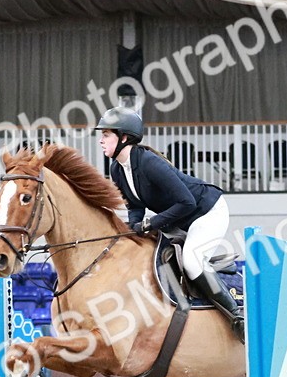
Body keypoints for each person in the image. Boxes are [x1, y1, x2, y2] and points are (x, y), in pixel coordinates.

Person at [93, 106, 244, 342]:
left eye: (106, 135)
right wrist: (134, 225)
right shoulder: (117, 169)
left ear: (124, 137)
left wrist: (151, 223)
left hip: (206, 212)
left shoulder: (149, 162)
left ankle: (237, 316)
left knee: (192, 263)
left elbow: (187, 201)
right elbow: (134, 204)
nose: (100, 140)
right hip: (179, 218)